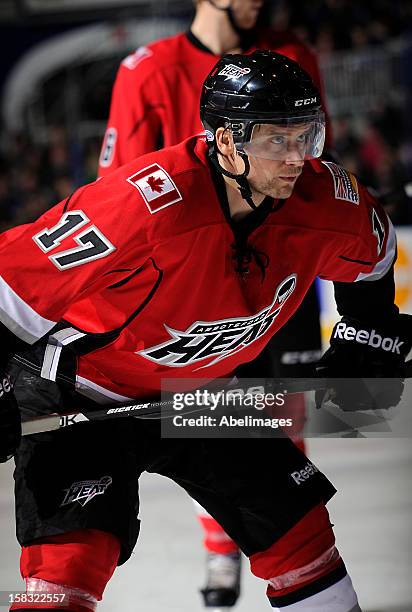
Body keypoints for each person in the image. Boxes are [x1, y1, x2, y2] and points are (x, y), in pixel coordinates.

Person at [0, 51, 410, 612]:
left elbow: (378, 250)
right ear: (225, 140)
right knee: (68, 566)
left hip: (205, 392)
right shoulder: (143, 205)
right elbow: (11, 285)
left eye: (307, 137)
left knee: (302, 539)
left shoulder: (323, 198)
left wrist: (371, 327)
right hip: (84, 395)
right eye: (276, 141)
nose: (297, 159)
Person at [98, 1, 334, 606]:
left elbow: (308, 162)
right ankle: (221, 545)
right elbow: (117, 192)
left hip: (281, 265)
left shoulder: (292, 53)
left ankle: (280, 549)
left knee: (280, 416)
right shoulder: (146, 70)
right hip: (194, 278)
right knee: (213, 411)